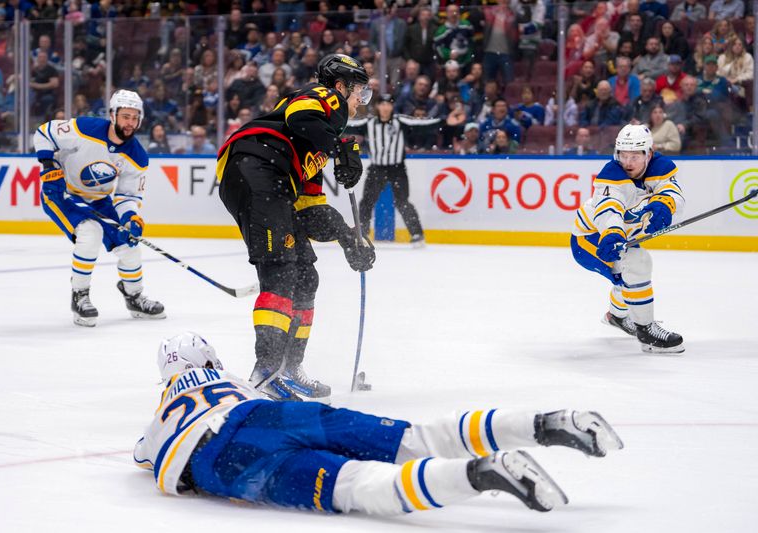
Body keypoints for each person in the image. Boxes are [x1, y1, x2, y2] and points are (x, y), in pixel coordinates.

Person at [134, 332, 624, 515]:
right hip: (263, 411)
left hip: (219, 458)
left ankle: (481, 474)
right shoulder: (230, 378)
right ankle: (546, 423)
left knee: (360, 486)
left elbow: (141, 456)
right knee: (416, 438)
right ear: (211, 359)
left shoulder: (163, 409)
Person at [215, 54, 375, 403]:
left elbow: (311, 213)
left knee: (305, 276)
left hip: (272, 180)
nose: (361, 101)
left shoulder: (314, 148)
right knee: (280, 272)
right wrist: (339, 149)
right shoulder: (323, 99)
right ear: (340, 86)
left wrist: (350, 238)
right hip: (256, 166)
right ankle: (266, 373)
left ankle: (289, 368)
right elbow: (299, 115)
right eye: (359, 92)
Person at [33, 89, 165, 327]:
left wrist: (131, 218)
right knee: (90, 232)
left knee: (129, 244)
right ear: (113, 115)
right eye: (125, 116)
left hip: (99, 200)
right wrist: (48, 162)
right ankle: (80, 296)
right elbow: (44, 133)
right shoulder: (85, 129)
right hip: (62, 194)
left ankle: (134, 296)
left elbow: (127, 195)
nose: (130, 123)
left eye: (135, 118)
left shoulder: (138, 156)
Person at [571, 124, 685, 353]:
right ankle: (646, 331)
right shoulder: (611, 176)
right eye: (623, 155)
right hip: (591, 239)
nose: (628, 162)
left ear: (648, 154)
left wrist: (665, 205)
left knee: (629, 277)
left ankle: (617, 316)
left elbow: (673, 194)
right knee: (637, 263)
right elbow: (608, 209)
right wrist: (612, 232)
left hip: (622, 235)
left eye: (634, 156)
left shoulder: (660, 168)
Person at [347, 94, 440, 247]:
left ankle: (417, 234)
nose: (385, 107)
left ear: (392, 107)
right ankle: (362, 233)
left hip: (397, 169)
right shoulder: (368, 123)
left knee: (403, 202)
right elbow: (348, 125)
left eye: (388, 104)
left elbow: (422, 125)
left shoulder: (400, 122)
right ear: (377, 106)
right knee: (367, 202)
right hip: (377, 168)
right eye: (382, 104)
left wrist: (443, 121)